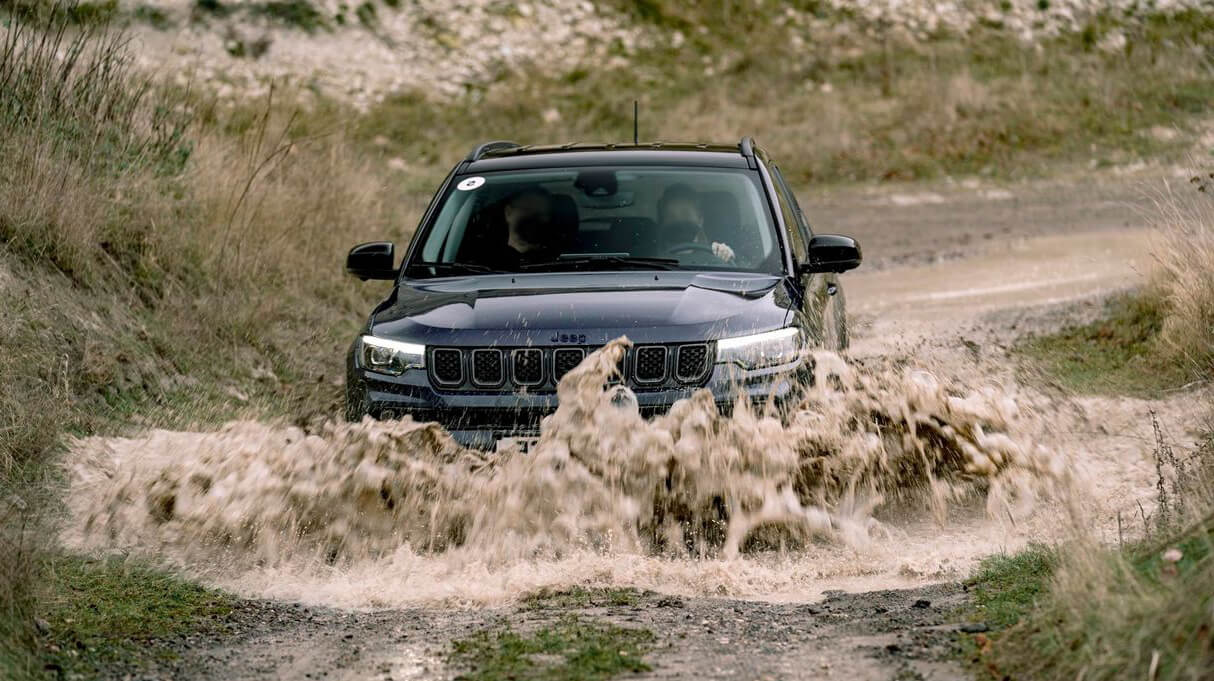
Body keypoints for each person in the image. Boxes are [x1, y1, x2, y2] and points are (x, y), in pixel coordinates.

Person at [484, 186, 561, 269]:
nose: (533, 217)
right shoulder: (484, 257)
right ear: (508, 213)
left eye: (541, 213)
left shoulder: (559, 259)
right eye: (527, 210)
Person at [656, 184, 735, 263]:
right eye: (671, 216)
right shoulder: (650, 257)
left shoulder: (714, 252)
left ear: (700, 220)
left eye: (685, 214)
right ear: (663, 222)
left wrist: (726, 255)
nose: (678, 221)